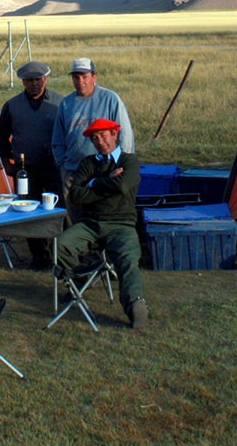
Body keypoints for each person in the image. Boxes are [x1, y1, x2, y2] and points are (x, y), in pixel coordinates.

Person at [56, 118, 148, 329]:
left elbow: (123, 185)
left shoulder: (129, 161)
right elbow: (77, 195)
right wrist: (105, 180)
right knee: (61, 244)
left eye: (104, 135)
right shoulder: (88, 163)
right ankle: (78, 280)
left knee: (128, 257)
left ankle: (135, 304)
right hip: (91, 224)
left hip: (121, 224)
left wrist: (93, 185)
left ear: (115, 134)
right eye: (95, 138)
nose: (100, 141)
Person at [0, 60, 63, 269]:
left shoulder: (60, 103)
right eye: (30, 80)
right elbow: (1, 134)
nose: (35, 84)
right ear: (23, 81)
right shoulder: (12, 106)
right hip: (25, 170)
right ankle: (38, 256)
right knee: (28, 212)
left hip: (54, 168)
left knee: (56, 211)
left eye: (39, 79)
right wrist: (6, 161)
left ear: (46, 79)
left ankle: (59, 255)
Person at [51, 58, 135, 185]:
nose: (80, 81)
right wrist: (63, 164)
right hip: (73, 171)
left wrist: (121, 165)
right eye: (76, 77)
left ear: (94, 77)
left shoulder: (110, 99)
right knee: (73, 203)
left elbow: (125, 136)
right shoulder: (66, 104)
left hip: (105, 171)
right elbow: (58, 138)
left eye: (85, 77)